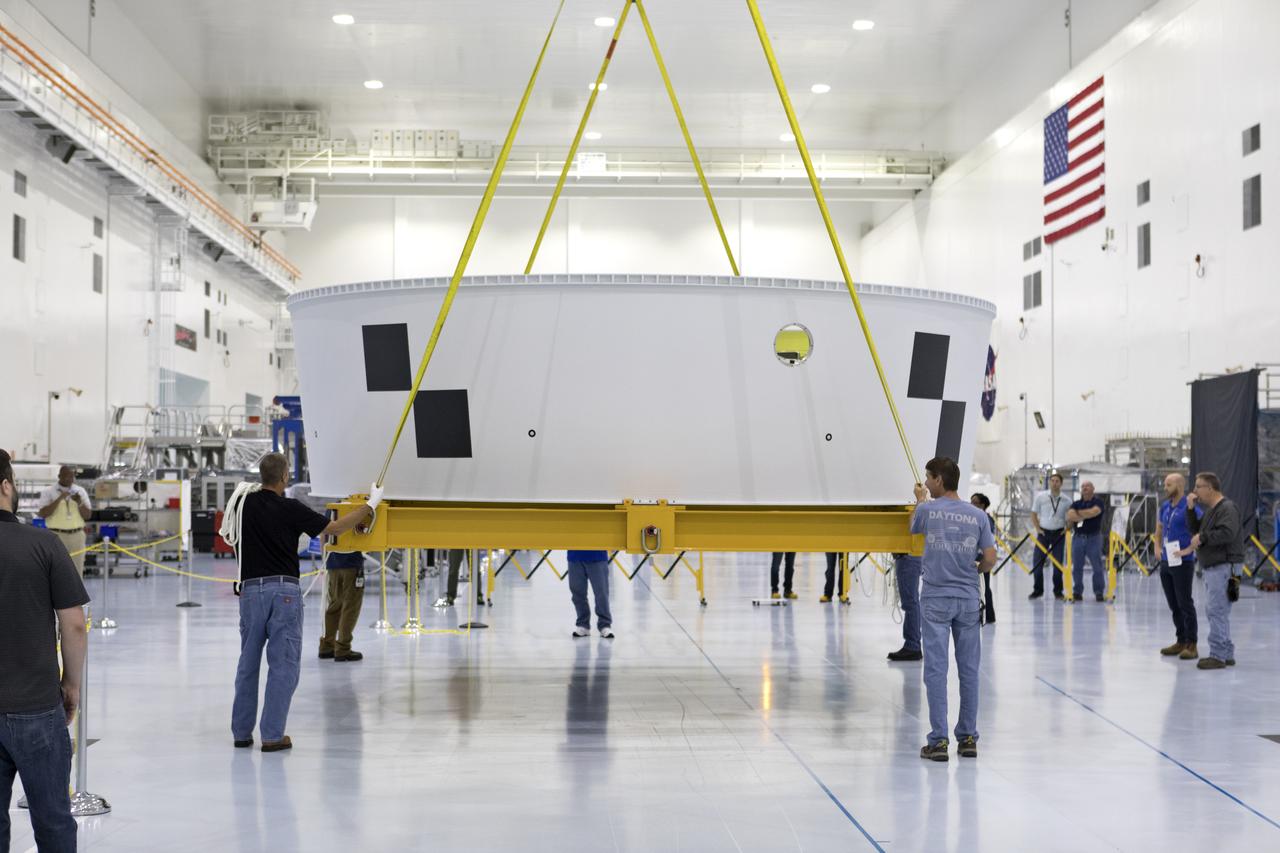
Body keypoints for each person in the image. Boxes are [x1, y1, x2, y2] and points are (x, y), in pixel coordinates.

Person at [227, 453, 382, 751]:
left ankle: (241, 733)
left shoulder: (243, 503)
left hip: (249, 591)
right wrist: (370, 505)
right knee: (283, 665)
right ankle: (272, 735)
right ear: (285, 476)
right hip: (283, 591)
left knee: (247, 662)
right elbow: (335, 529)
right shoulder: (290, 508)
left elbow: (233, 536)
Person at [1, 449, 89, 852]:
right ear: (6, 486)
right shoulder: (43, 544)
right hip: (36, 706)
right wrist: (71, 686)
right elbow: (73, 623)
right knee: (53, 822)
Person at [911, 456, 996, 761]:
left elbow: (914, 528)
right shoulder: (978, 516)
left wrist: (920, 499)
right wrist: (976, 568)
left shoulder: (929, 510)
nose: (927, 483)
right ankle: (969, 738)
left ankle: (939, 742)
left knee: (936, 670)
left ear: (938, 481)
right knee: (969, 670)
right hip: (968, 599)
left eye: (928, 478)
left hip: (936, 598)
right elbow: (989, 556)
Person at [1186, 472, 1244, 670]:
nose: (1195, 491)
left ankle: (1218, 655)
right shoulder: (1211, 510)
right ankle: (1226, 652)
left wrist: (1203, 538)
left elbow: (1227, 533)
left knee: (1216, 610)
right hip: (1216, 567)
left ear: (1209, 488)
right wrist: (1191, 510)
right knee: (1218, 611)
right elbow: (1196, 531)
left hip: (1224, 567)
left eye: (1198, 487)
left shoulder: (1227, 508)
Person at [1154, 474, 1201, 660]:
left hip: (1183, 562)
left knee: (1185, 603)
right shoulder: (1165, 507)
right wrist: (1157, 546)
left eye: (1169, 484)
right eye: (1165, 484)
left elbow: (1200, 532)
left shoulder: (1190, 509)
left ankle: (1192, 643)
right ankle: (1181, 640)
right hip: (1166, 561)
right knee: (1173, 604)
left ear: (1180, 486)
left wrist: (1188, 549)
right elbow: (1158, 529)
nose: (1165, 487)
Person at [37, 465, 92, 577]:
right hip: (56, 535)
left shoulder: (80, 491)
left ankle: (77, 594)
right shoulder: (49, 491)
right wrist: (59, 499)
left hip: (77, 535)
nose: (69, 479)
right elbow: (43, 514)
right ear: (59, 476)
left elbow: (88, 515)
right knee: (56, 569)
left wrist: (79, 502)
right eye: (66, 476)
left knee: (77, 570)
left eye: (71, 476)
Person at [318, 550, 366, 662]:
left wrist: (326, 559)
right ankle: (343, 648)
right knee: (351, 606)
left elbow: (323, 536)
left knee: (334, 604)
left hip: (332, 563)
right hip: (351, 562)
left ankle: (327, 645)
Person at [1028, 472, 1069, 599]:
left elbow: (1071, 516)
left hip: (1059, 534)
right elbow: (1033, 513)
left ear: (1061, 483)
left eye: (1057, 481)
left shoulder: (1066, 500)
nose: (1054, 483)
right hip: (1044, 533)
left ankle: (1058, 591)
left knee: (1057, 564)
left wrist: (1068, 528)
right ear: (1049, 482)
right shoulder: (1041, 497)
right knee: (1037, 563)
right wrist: (1038, 529)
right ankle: (1038, 590)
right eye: (1052, 480)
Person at [1067, 481, 1107, 601]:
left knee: (1097, 567)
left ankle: (1099, 591)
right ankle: (1077, 592)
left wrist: (1078, 514)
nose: (1085, 488)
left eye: (1087, 486)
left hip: (1093, 539)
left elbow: (1094, 512)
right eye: (1083, 486)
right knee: (1077, 567)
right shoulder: (1076, 503)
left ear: (1093, 488)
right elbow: (1070, 516)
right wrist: (1085, 515)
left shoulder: (1098, 502)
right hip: (1078, 538)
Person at [568, 550, 613, 638]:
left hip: (597, 555)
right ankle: (583, 625)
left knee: (601, 593)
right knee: (577, 593)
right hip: (574, 556)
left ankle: (605, 625)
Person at [887, 553, 923, 661]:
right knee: (912, 602)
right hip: (910, 557)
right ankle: (913, 644)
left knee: (910, 603)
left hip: (908, 557)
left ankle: (912, 646)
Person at [970, 493, 997, 624]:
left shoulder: (986, 519)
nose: (971, 504)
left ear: (982, 505)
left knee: (984, 586)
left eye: (974, 502)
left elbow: (987, 540)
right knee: (983, 586)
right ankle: (988, 615)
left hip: (982, 556)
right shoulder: (975, 518)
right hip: (976, 554)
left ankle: (988, 615)